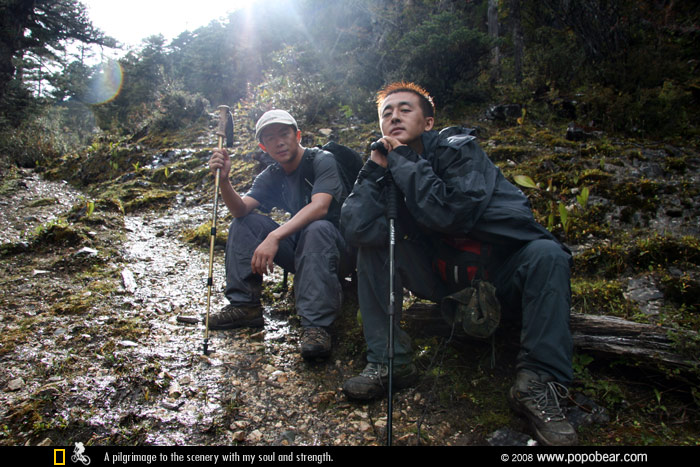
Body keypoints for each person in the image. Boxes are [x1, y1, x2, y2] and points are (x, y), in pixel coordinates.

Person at [340, 82, 577, 446]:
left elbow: (450, 213)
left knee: (548, 254)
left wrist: (403, 160)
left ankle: (538, 384)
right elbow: (355, 228)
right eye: (386, 113)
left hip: (498, 275)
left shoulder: (460, 150)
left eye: (405, 109)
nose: (394, 117)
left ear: (429, 122)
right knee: (375, 244)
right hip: (442, 278)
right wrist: (373, 170)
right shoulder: (387, 168)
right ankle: (390, 361)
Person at [207, 109, 353, 359]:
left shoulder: (321, 160)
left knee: (317, 227)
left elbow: (320, 207)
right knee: (244, 223)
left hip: (342, 252)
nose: (279, 142)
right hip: (305, 252)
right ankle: (245, 306)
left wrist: (274, 237)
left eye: (284, 133)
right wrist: (224, 181)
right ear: (264, 146)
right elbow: (240, 209)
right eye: (270, 137)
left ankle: (316, 326)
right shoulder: (272, 175)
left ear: (297, 135)